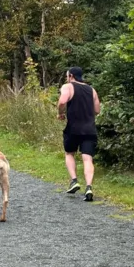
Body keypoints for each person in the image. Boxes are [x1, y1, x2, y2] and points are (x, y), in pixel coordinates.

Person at [57, 66, 100, 201]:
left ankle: (74, 180)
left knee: (69, 153)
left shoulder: (68, 86)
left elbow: (62, 101)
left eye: (67, 76)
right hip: (90, 129)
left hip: (73, 128)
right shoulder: (91, 90)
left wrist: (60, 113)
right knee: (87, 158)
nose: (66, 78)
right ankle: (89, 187)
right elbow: (97, 110)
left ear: (71, 76)